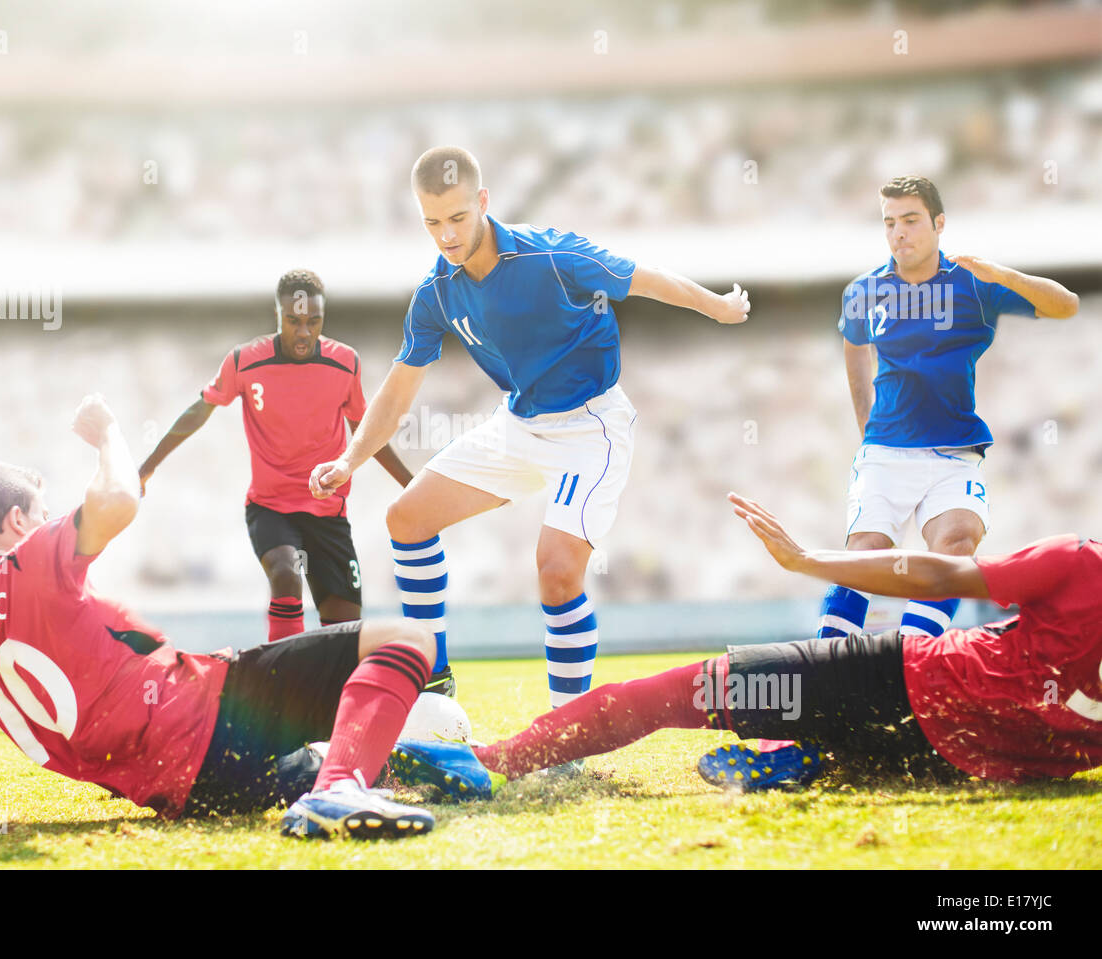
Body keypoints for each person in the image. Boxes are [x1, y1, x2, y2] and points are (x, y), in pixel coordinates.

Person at [0, 394, 437, 840]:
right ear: (18, 521)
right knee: (407, 639)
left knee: (391, 770)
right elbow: (118, 501)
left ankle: (377, 778)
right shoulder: (30, 558)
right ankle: (338, 789)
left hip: (182, 788)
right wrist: (107, 434)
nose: (48, 521)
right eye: (40, 513)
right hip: (212, 711)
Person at [310, 146, 750, 705]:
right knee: (407, 519)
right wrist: (349, 459)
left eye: (457, 218)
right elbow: (399, 389)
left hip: (591, 424)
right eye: (432, 223)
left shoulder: (551, 254)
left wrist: (719, 308)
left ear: (484, 202)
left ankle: (566, 729)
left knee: (557, 571)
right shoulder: (435, 293)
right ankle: (436, 682)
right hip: (517, 424)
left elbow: (645, 279)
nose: (446, 235)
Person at [387, 493, 1102, 797]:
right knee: (845, 740)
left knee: (666, 695)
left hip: (889, 683)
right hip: (952, 762)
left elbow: (942, 572)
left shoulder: (1080, 562)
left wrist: (808, 560)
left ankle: (491, 763)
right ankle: (808, 752)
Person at [818, 175, 1078, 647]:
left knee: (957, 544)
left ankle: (911, 667)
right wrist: (866, 427)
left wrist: (1004, 275)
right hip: (885, 450)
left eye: (911, 220)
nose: (899, 232)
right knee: (865, 552)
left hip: (953, 450)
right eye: (890, 222)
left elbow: (1066, 305)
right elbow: (854, 348)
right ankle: (822, 662)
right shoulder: (863, 291)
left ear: (939, 223)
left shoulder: (976, 284)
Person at [139, 269, 412, 643]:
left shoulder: (345, 363)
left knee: (344, 625)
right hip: (270, 508)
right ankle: (281, 678)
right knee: (286, 572)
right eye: (293, 321)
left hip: (327, 513)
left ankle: (332, 691)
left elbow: (366, 433)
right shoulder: (245, 362)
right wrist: (147, 466)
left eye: (313, 322)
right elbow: (199, 410)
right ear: (277, 315)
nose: (303, 332)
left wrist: (413, 485)